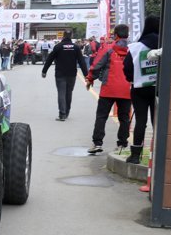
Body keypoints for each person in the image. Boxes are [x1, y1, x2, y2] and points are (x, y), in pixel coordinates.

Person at [85, 24, 132, 155]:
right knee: (124, 118)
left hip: (108, 88)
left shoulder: (108, 48)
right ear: (127, 35)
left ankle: (97, 143)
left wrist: (90, 78)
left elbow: (97, 65)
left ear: (115, 35)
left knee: (101, 116)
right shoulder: (132, 49)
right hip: (126, 89)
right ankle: (122, 144)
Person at [123, 16, 159, 164]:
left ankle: (135, 155)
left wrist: (133, 78)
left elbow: (127, 68)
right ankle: (158, 153)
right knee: (158, 121)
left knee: (141, 121)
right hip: (159, 88)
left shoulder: (136, 47)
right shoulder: (165, 44)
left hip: (139, 89)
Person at [41, 30, 88, 121]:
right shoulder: (75, 47)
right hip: (72, 74)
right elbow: (82, 61)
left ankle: (62, 114)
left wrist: (44, 71)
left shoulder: (58, 47)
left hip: (60, 74)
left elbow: (50, 59)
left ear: (63, 36)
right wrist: (86, 74)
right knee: (69, 93)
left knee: (61, 93)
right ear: (71, 36)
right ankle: (67, 111)